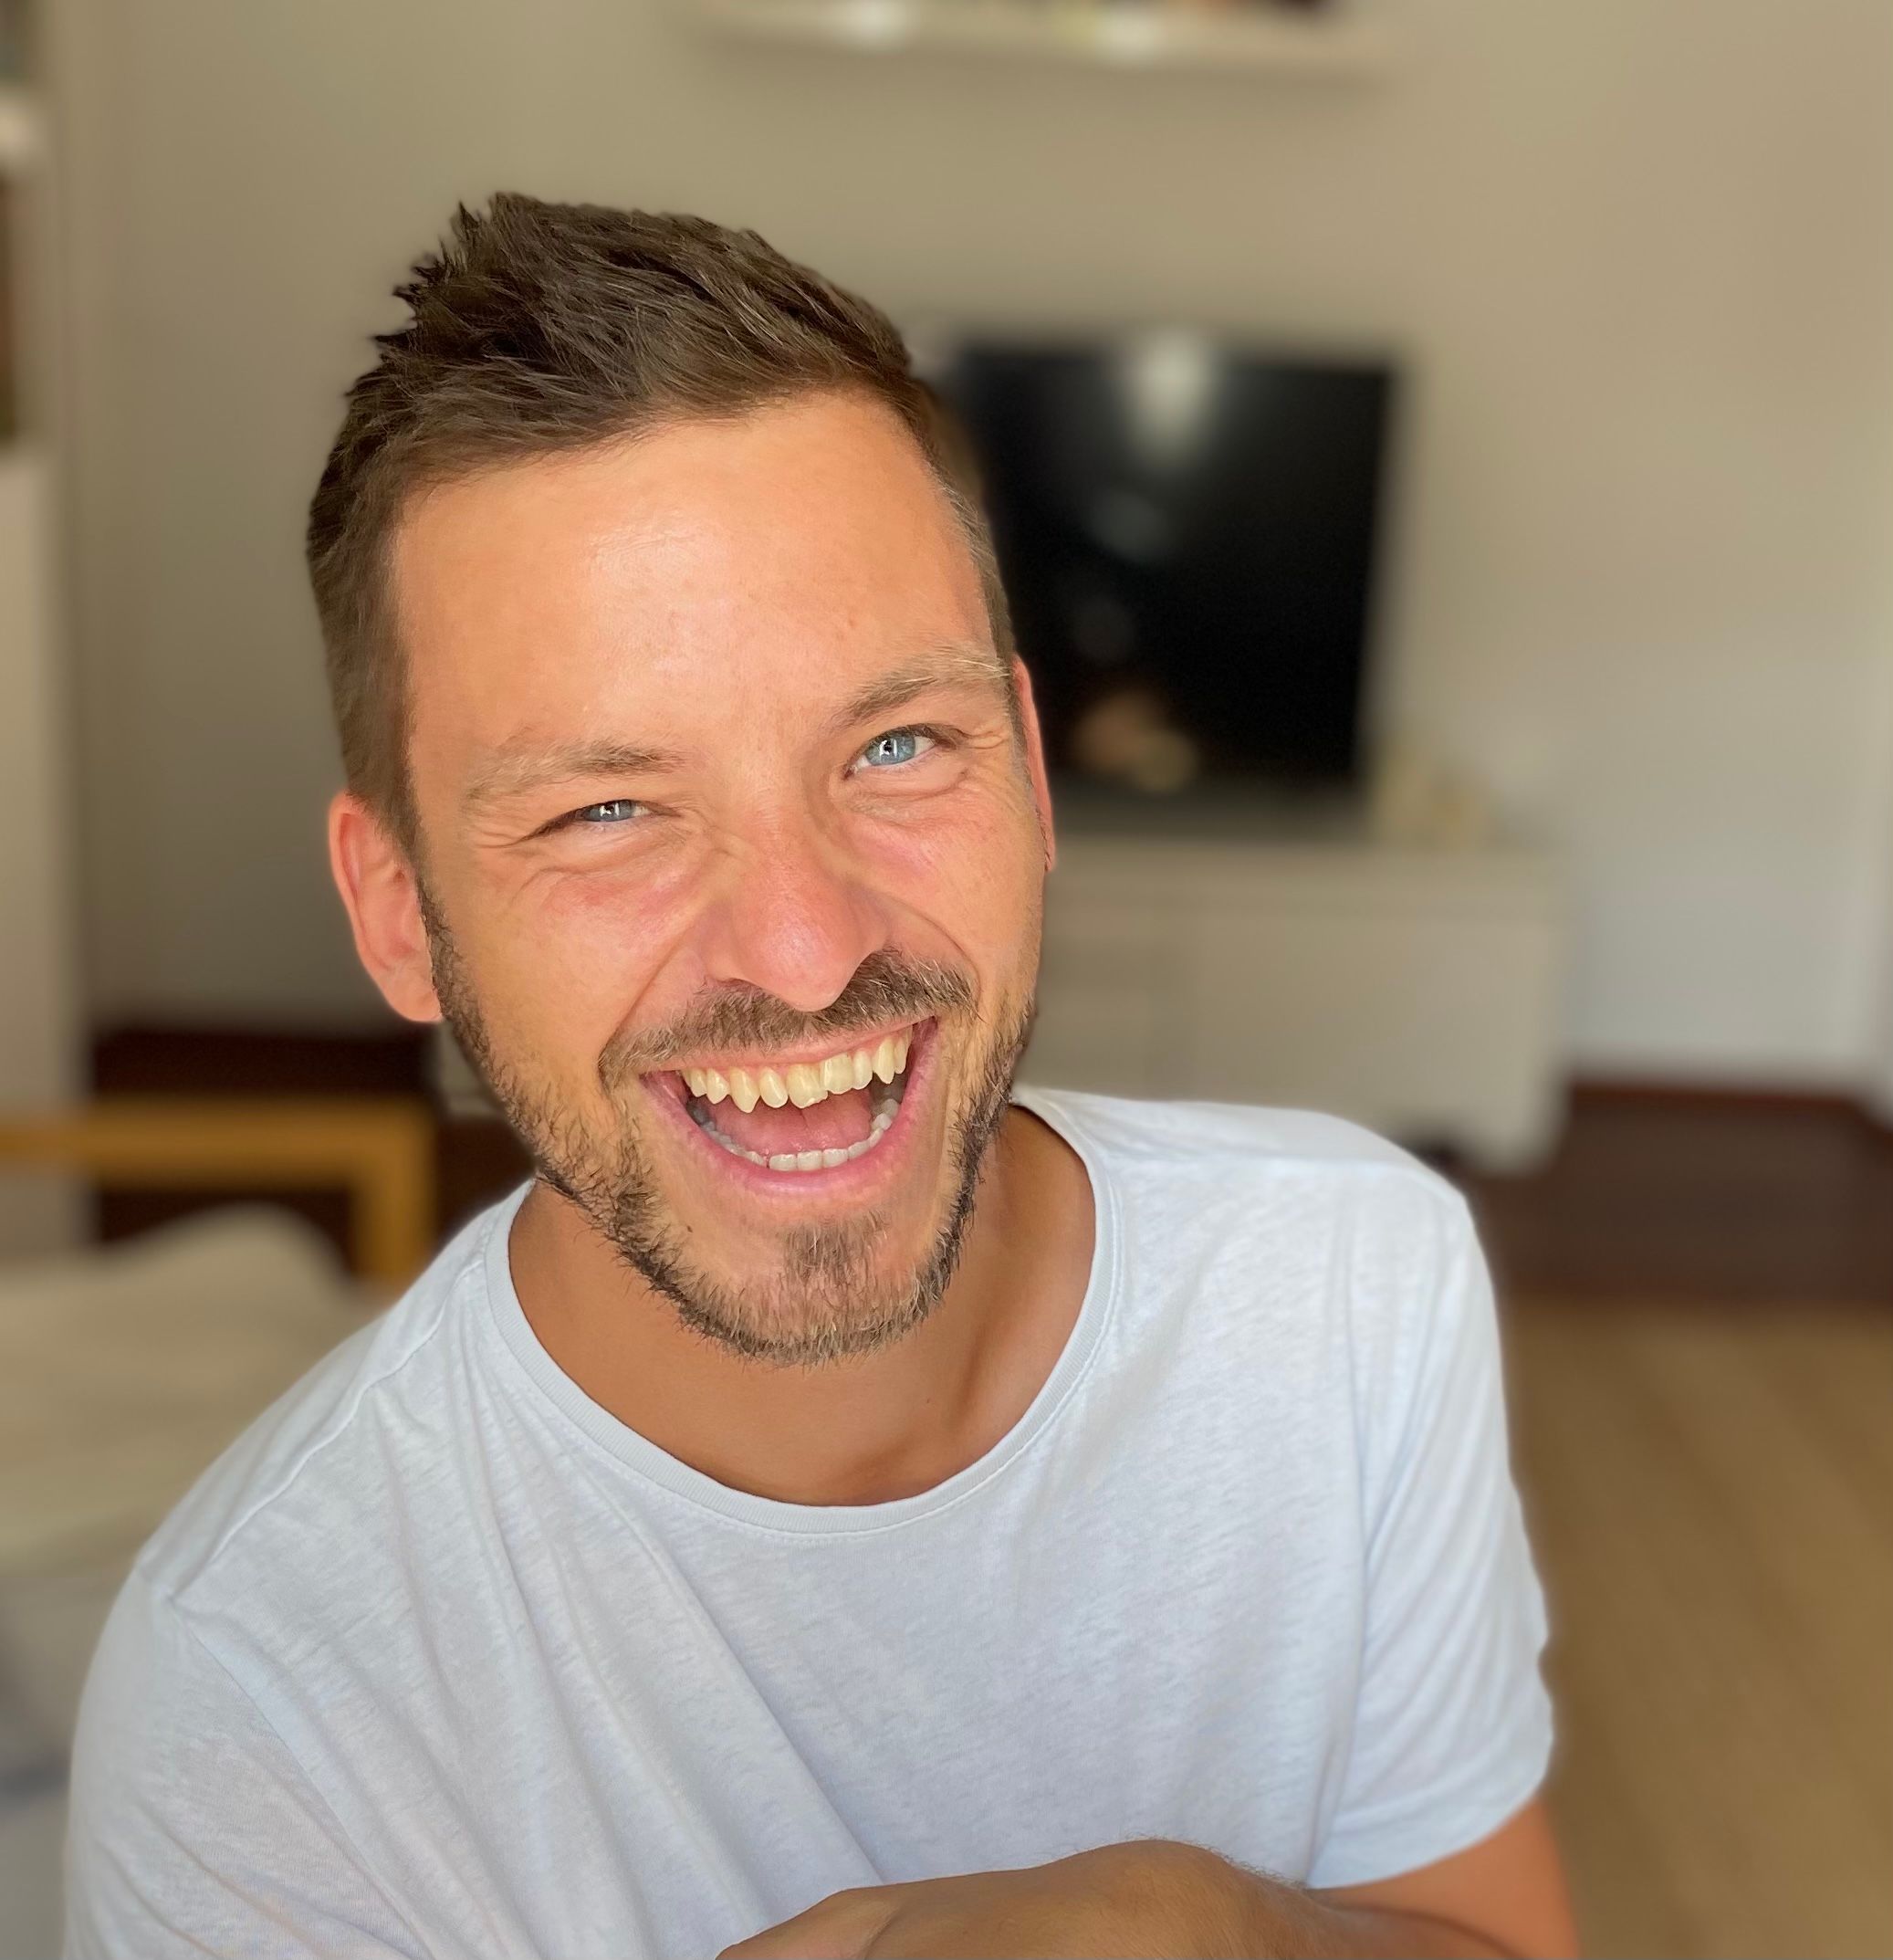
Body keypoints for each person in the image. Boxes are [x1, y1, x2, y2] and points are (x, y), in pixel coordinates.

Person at [63, 194, 1579, 1960]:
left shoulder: (1353, 1282)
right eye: (607, 809)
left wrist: (1217, 1929)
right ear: (399, 913)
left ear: (1029, 771)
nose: (799, 953)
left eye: (897, 744)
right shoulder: (255, 1709)